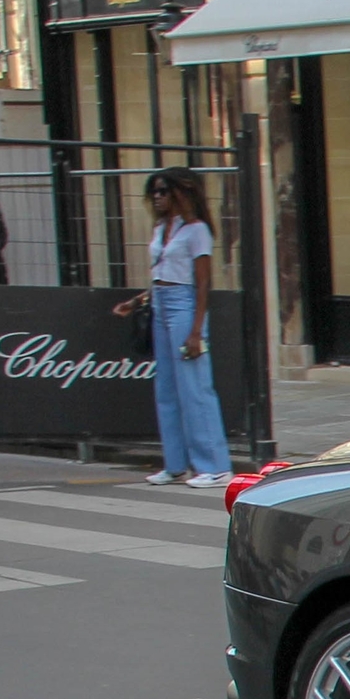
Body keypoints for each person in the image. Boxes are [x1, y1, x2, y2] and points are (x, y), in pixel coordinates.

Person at [116, 167, 233, 487]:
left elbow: (202, 281)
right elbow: (161, 273)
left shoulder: (197, 231)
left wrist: (197, 330)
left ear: (182, 193)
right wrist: (138, 301)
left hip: (184, 304)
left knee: (195, 387)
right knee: (166, 387)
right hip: (160, 300)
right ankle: (176, 463)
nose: (157, 197)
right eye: (154, 191)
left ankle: (216, 465)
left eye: (164, 191)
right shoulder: (161, 228)